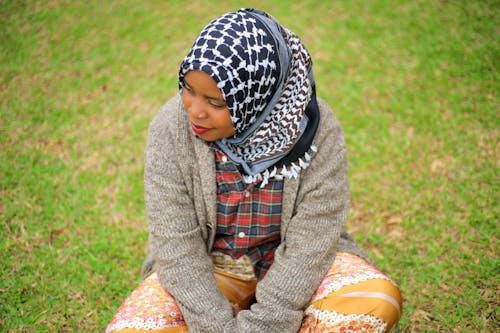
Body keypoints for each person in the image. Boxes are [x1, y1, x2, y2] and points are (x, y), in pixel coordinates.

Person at [106, 8, 402, 333]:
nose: (194, 111)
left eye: (216, 103)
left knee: (375, 302)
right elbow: (177, 247)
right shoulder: (170, 128)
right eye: (188, 89)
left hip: (295, 270)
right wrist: (218, 328)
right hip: (211, 270)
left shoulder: (316, 131)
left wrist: (267, 323)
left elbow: (311, 242)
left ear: (258, 97)